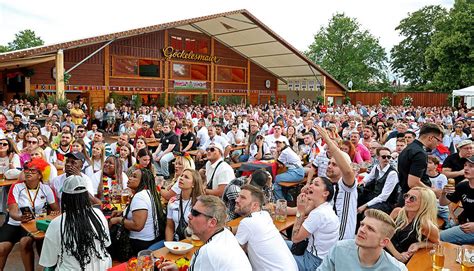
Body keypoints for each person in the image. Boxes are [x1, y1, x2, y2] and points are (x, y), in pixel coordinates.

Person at [159, 195, 251, 271]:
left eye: (195, 213)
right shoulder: (225, 234)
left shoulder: (209, 251)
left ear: (212, 222)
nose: (189, 216)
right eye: (191, 210)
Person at [39, 175, 112, 270]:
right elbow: (106, 243)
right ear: (86, 196)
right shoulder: (98, 214)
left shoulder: (57, 223)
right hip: (103, 267)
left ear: (65, 198)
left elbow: (49, 261)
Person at [0, 158, 60, 271]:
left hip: (33, 224)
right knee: (1, 248)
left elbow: (56, 210)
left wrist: (52, 214)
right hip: (14, 222)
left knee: (25, 242)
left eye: (33, 170)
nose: (28, 172)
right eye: (26, 169)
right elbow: (12, 212)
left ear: (40, 175)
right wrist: (20, 217)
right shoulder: (16, 187)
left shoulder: (46, 189)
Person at [317, 209, 407, 270]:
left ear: (384, 242)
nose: (362, 230)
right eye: (362, 225)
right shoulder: (339, 249)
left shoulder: (396, 269)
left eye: (370, 229)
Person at [233, 185, 297, 271]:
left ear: (255, 205)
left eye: (243, 198)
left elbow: (233, 252)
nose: (236, 200)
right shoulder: (264, 215)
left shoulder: (247, 223)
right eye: (238, 196)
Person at [109, 168, 166, 255]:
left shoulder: (139, 197)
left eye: (134, 177)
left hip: (139, 244)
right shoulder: (149, 193)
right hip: (150, 240)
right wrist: (123, 212)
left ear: (143, 182)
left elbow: (137, 226)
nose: (130, 178)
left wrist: (118, 220)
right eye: (131, 175)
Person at [314, 125, 357, 240]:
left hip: (340, 239)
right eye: (329, 163)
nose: (329, 166)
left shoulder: (346, 186)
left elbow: (348, 171)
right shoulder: (327, 185)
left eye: (334, 164)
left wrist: (327, 140)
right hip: (327, 235)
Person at [287, 177, 339, 270]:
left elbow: (295, 238)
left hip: (313, 262)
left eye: (316, 184)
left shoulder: (318, 213)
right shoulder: (326, 206)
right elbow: (304, 210)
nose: (310, 186)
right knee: (280, 243)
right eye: (311, 183)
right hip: (325, 258)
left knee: (276, 254)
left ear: (325, 193)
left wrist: (300, 211)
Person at [386, 187, 439, 263]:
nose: (407, 200)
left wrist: (419, 244)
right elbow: (382, 234)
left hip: (401, 262)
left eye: (412, 198)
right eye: (406, 196)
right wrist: (397, 255)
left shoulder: (426, 225)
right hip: (384, 251)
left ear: (424, 203)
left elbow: (436, 243)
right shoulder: (397, 212)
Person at [156, 169, 205, 249]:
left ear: (193, 184)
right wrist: (170, 246)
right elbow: (169, 227)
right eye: (181, 176)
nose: (181, 178)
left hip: (193, 244)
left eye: (186, 177)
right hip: (176, 243)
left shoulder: (200, 203)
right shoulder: (173, 201)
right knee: (149, 251)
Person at [397, 123, 443, 206]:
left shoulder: (409, 148)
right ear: (431, 138)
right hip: (414, 199)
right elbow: (413, 183)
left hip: (406, 196)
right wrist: (432, 192)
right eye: (438, 140)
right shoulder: (420, 153)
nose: (438, 144)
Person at [439, 156, 474, 245]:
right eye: (465, 165)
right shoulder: (462, 186)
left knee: (440, 237)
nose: (466, 168)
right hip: (466, 224)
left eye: (471, 166)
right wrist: (443, 193)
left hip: (470, 228)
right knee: (448, 225)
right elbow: (443, 203)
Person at [357, 147, 399, 215]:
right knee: (356, 199)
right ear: (378, 157)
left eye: (388, 157)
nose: (386, 159)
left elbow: (384, 197)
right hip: (374, 196)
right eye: (384, 157)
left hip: (386, 202)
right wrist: (363, 181)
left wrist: (365, 205)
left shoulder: (392, 173)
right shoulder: (376, 167)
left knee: (368, 212)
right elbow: (369, 177)